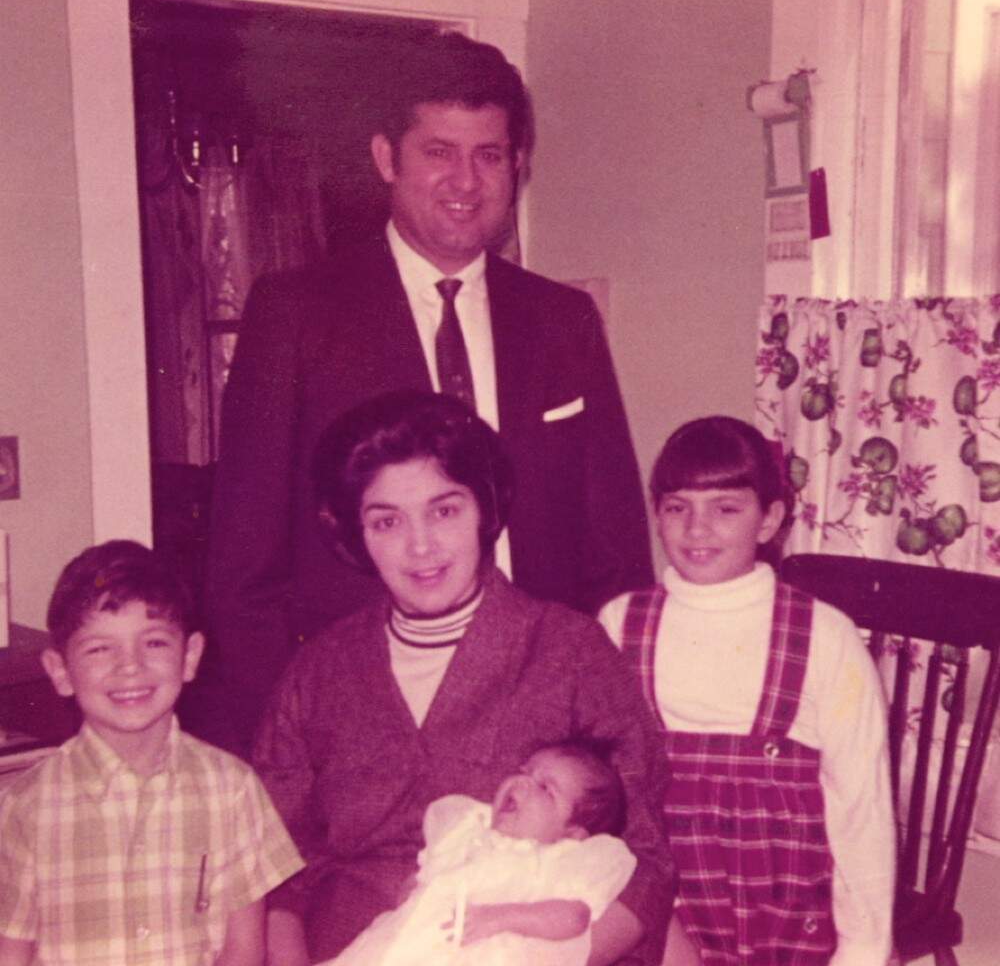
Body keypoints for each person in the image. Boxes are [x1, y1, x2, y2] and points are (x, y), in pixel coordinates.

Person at [205, 30, 652, 753]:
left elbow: (616, 550)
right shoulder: (296, 313)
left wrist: (595, 713)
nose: (465, 182)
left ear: (518, 167)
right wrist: (295, 735)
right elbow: (243, 568)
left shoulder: (563, 322)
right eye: (438, 152)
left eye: (489, 155)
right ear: (387, 158)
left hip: (541, 715)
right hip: (363, 719)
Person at [253, 390, 672, 966]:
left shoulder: (570, 650)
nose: (420, 545)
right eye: (387, 521)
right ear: (356, 534)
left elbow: (644, 861)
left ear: (485, 511)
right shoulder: (317, 672)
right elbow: (276, 870)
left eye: (444, 510)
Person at [599, 416, 895, 966]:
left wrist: (863, 951)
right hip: (660, 908)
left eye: (725, 509)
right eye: (676, 507)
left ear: (769, 520)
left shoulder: (824, 636)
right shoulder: (621, 623)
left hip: (781, 916)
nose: (696, 529)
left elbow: (862, 806)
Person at [0, 541, 303, 966]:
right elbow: (10, 953)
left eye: (155, 643)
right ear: (60, 671)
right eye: (100, 648)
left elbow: (244, 951)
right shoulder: (23, 807)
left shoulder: (232, 789)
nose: (130, 666)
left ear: (190, 657)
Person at [323, 739, 637, 966]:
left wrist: (502, 917)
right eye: (525, 772)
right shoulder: (466, 829)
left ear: (572, 833)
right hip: (404, 942)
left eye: (545, 789)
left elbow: (574, 917)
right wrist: (412, 894)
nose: (521, 784)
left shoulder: (558, 860)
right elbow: (419, 880)